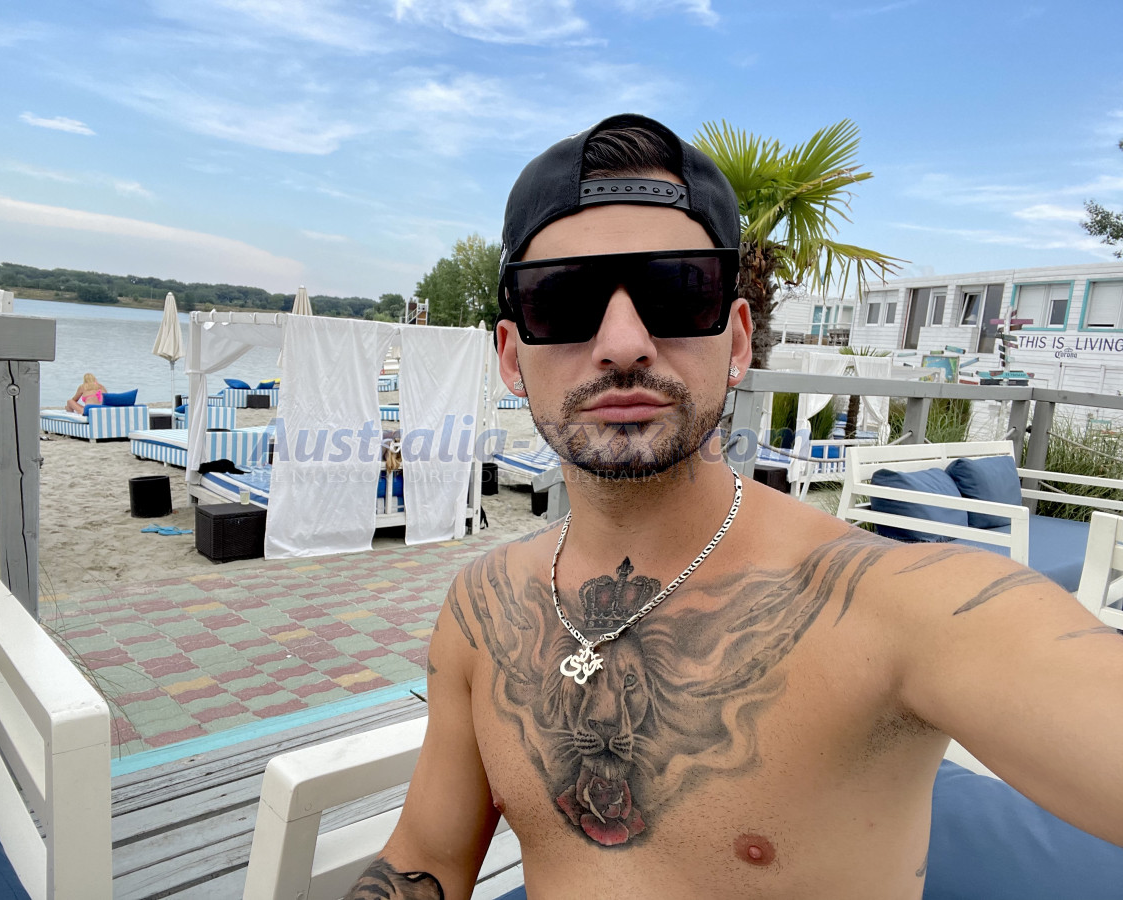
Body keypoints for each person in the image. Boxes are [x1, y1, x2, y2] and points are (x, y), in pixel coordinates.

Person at [342, 114, 1123, 899]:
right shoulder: (483, 609)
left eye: (677, 291)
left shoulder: (891, 608)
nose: (623, 342)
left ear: (739, 342)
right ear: (512, 357)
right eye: (565, 299)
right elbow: (427, 857)